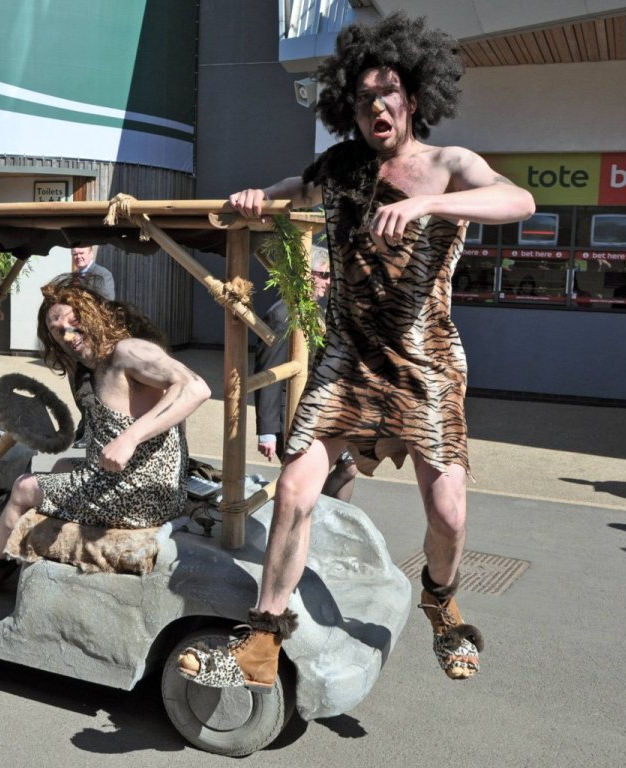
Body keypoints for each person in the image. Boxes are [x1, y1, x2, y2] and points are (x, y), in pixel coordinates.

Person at [178, 12, 535, 689]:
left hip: (424, 361)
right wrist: (264, 196)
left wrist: (430, 207)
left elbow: (520, 199)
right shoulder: (341, 170)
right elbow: (292, 190)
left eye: (389, 91)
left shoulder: (449, 165)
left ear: (415, 98)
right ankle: (261, 637)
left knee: (448, 512)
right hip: (348, 357)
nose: (378, 105)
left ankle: (439, 595)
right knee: (292, 487)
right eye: (365, 95)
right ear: (352, 104)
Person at [0, 278, 210, 568]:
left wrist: (129, 438)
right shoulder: (93, 369)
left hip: (139, 496)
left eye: (74, 322)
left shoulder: (128, 351)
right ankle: (19, 555)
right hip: (142, 487)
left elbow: (197, 388)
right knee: (59, 467)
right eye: (58, 331)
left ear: (93, 315)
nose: (68, 335)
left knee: (23, 487)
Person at [254, 247, 358, 502]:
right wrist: (267, 430)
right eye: (323, 275)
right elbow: (268, 372)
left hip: (318, 410)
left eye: (330, 275)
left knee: (350, 466)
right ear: (306, 275)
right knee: (306, 480)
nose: (328, 281)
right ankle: (311, 522)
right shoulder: (282, 314)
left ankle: (328, 517)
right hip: (291, 415)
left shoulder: (315, 310)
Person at [67, 246, 116, 446]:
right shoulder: (73, 278)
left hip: (94, 339)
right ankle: (85, 425)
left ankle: (93, 433)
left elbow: (106, 305)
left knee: (92, 385)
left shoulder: (102, 275)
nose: (78, 257)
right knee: (77, 383)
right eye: (74, 254)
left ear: (91, 254)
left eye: (81, 253)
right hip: (73, 338)